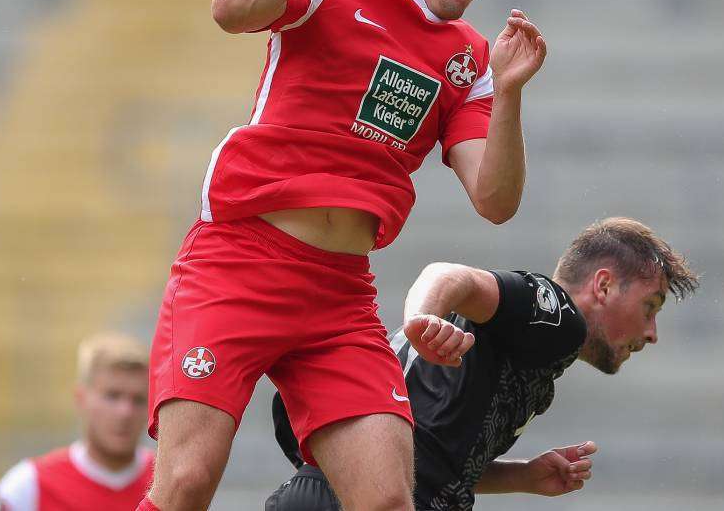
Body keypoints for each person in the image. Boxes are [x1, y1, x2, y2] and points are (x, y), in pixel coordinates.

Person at [142, 0, 545, 511]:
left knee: (387, 501)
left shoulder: (467, 58)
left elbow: (495, 203)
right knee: (186, 484)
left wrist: (512, 92)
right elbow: (228, 9)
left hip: (339, 294)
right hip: (241, 261)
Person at [265, 217, 699, 511]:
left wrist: (521, 476)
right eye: (650, 306)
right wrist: (423, 321)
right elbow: (448, 275)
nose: (652, 333)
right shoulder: (559, 318)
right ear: (603, 285)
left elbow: (431, 459)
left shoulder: (537, 357)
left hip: (331, 488)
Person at [0, 332, 153, 511]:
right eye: (112, 396)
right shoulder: (27, 487)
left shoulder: (170, 483)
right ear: (81, 399)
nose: (125, 412)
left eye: (138, 400)